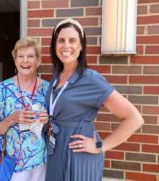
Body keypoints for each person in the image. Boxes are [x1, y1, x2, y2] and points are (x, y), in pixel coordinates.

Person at [44, 18, 144, 181]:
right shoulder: (56, 76)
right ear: (54, 45)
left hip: (79, 153)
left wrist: (101, 146)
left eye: (72, 40)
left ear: (81, 46)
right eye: (61, 40)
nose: (66, 46)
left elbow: (135, 119)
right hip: (56, 150)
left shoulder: (91, 79)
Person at [0, 37, 49, 181]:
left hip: (40, 161)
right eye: (20, 56)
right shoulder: (3, 88)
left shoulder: (47, 88)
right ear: (15, 61)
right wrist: (12, 118)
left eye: (30, 56)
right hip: (11, 163)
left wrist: (47, 120)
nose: (25, 61)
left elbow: (53, 127)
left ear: (38, 61)